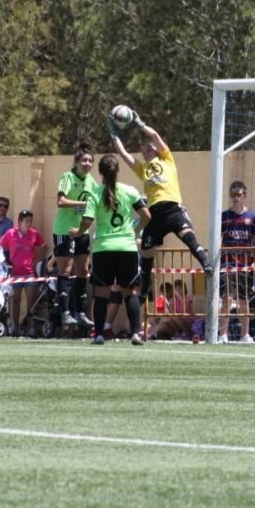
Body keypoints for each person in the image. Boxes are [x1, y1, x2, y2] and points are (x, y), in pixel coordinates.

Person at [110, 110, 213, 309]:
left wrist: (139, 124)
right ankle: (145, 288)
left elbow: (155, 137)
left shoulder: (167, 159)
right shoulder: (142, 169)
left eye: (149, 149)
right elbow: (124, 155)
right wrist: (114, 134)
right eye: (144, 150)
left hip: (172, 208)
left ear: (157, 151)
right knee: (147, 251)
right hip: (154, 213)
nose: (146, 152)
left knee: (187, 235)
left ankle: (206, 264)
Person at [71, 153, 151, 346]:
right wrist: (134, 231)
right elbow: (146, 215)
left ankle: (99, 334)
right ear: (118, 171)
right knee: (129, 292)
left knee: (101, 293)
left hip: (103, 248)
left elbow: (88, 220)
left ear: (100, 172)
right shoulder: (130, 191)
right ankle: (135, 334)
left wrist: (78, 231)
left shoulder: (95, 193)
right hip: (126, 248)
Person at [51, 143, 97, 329]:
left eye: (90, 161)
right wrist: (82, 203)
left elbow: (96, 198)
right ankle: (65, 313)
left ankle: (80, 312)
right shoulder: (67, 177)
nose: (87, 164)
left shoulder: (91, 181)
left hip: (82, 231)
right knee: (66, 270)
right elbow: (60, 201)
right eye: (84, 160)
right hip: (64, 230)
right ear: (76, 162)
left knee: (83, 271)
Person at [219, 181, 255, 343]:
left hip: (245, 264)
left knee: (244, 300)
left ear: (245, 195)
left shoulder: (252, 216)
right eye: (233, 195)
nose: (236, 198)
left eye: (239, 195)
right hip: (227, 264)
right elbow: (218, 239)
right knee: (227, 299)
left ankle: (245, 334)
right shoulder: (224, 216)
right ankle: (223, 334)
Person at [0, 209, 47, 337]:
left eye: (30, 221)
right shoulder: (11, 233)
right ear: (19, 222)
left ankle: (31, 328)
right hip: (15, 273)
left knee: (31, 302)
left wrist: (36, 261)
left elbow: (44, 247)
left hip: (29, 273)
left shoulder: (34, 234)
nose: (28, 223)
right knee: (16, 300)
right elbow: (0, 246)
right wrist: (5, 262)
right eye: (26, 221)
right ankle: (15, 327)